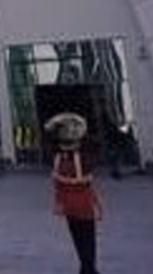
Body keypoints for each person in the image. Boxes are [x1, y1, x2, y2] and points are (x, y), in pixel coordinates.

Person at [48, 113, 102, 274]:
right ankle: (88, 269)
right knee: (88, 239)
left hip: (68, 205)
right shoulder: (83, 160)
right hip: (84, 204)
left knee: (77, 237)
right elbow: (94, 147)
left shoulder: (59, 160)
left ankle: (85, 268)